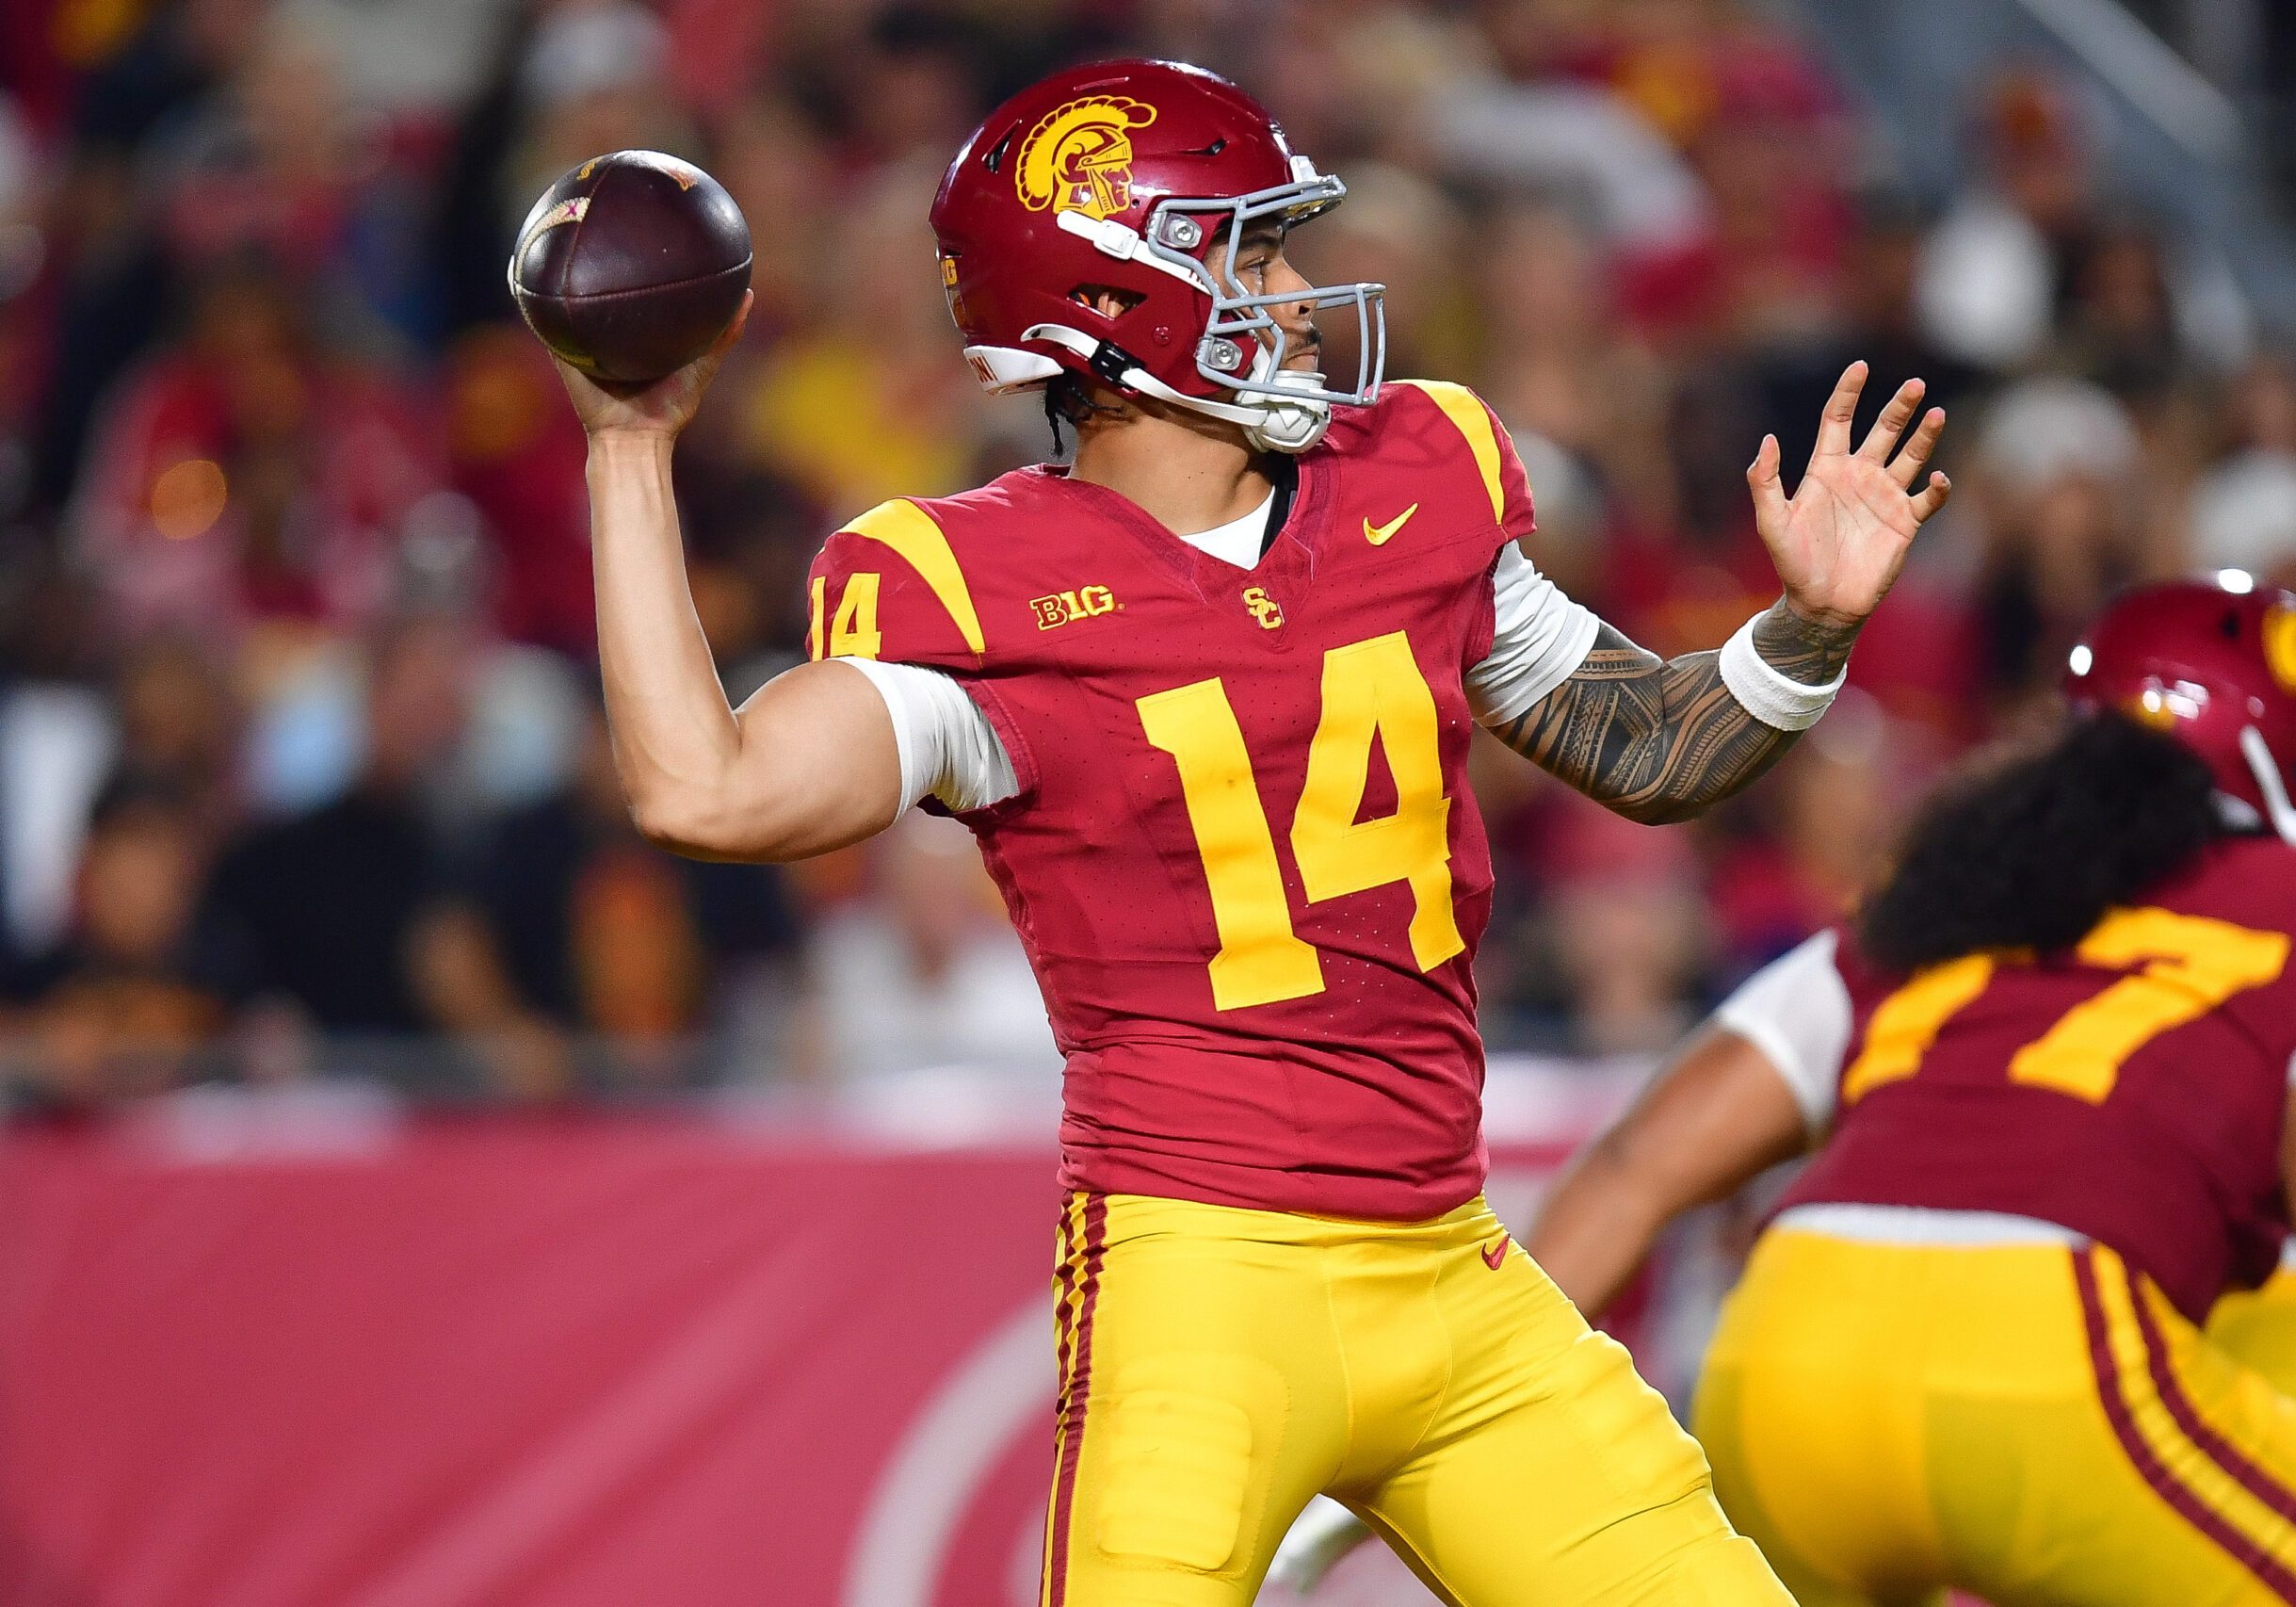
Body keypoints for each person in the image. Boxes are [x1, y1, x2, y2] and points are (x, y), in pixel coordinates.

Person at [547, 58, 1950, 1604]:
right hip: (1200, 1282)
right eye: (1248, 253)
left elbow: (1653, 749)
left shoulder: (1408, 477)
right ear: (1118, 302)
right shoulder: (978, 584)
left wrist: (1805, 631)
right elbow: (707, 789)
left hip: (1452, 1269)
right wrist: (631, 442)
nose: (1293, 295)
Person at [1283, 576, 2296, 1603]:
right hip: (2054, 1356)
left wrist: (1425, 1443)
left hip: (1781, 1361)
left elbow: (1636, 1169)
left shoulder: (1939, 904)